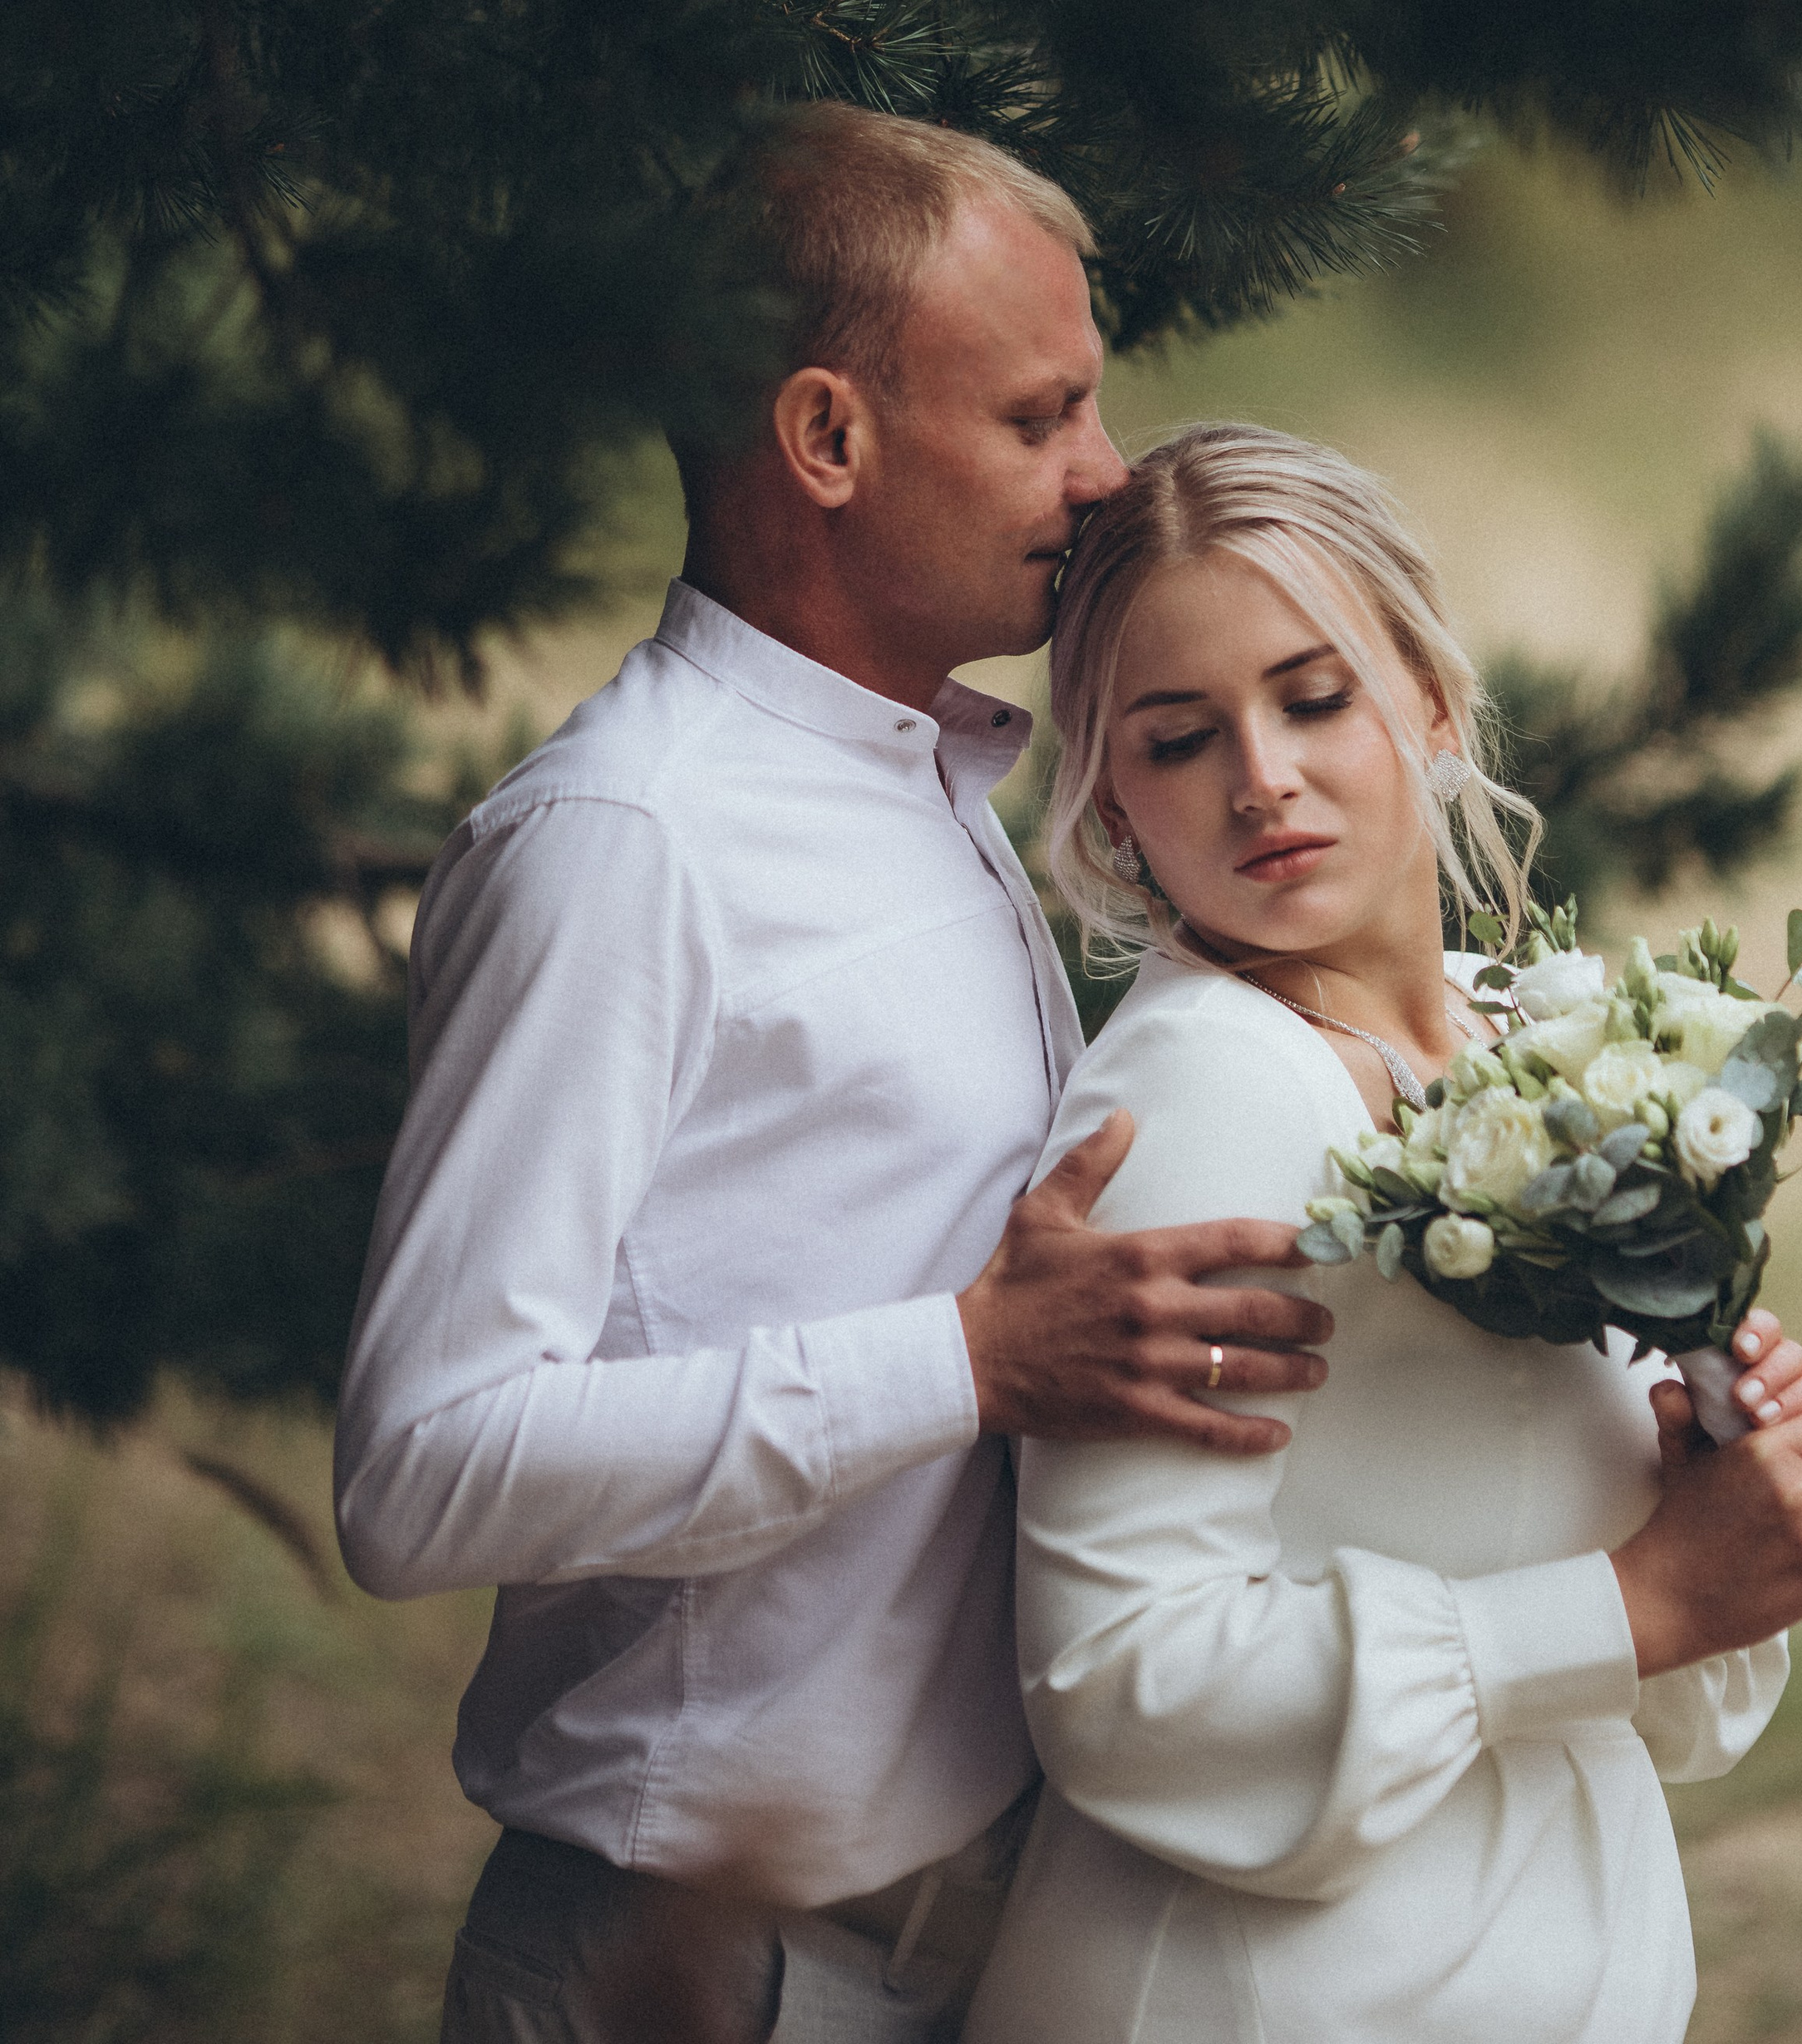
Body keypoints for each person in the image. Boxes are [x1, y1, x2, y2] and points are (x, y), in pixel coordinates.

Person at [332, 115, 1338, 2044]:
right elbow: (419, 1471)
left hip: (982, 1957)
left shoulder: (939, 779)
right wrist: (960, 1362)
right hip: (689, 1975)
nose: (1102, 471)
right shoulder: (626, 843)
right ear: (825, 441)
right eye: (1040, 414)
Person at [965, 422, 1802, 2044]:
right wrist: (1638, 1602)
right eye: (1177, 740)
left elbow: (1580, 1574)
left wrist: (1726, 1488)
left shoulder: (1532, 1042)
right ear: (1109, 801)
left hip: (1523, 1960)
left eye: (1311, 699)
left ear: (1434, 701)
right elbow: (1119, 1685)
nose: (1261, 778)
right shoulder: (1203, 1098)